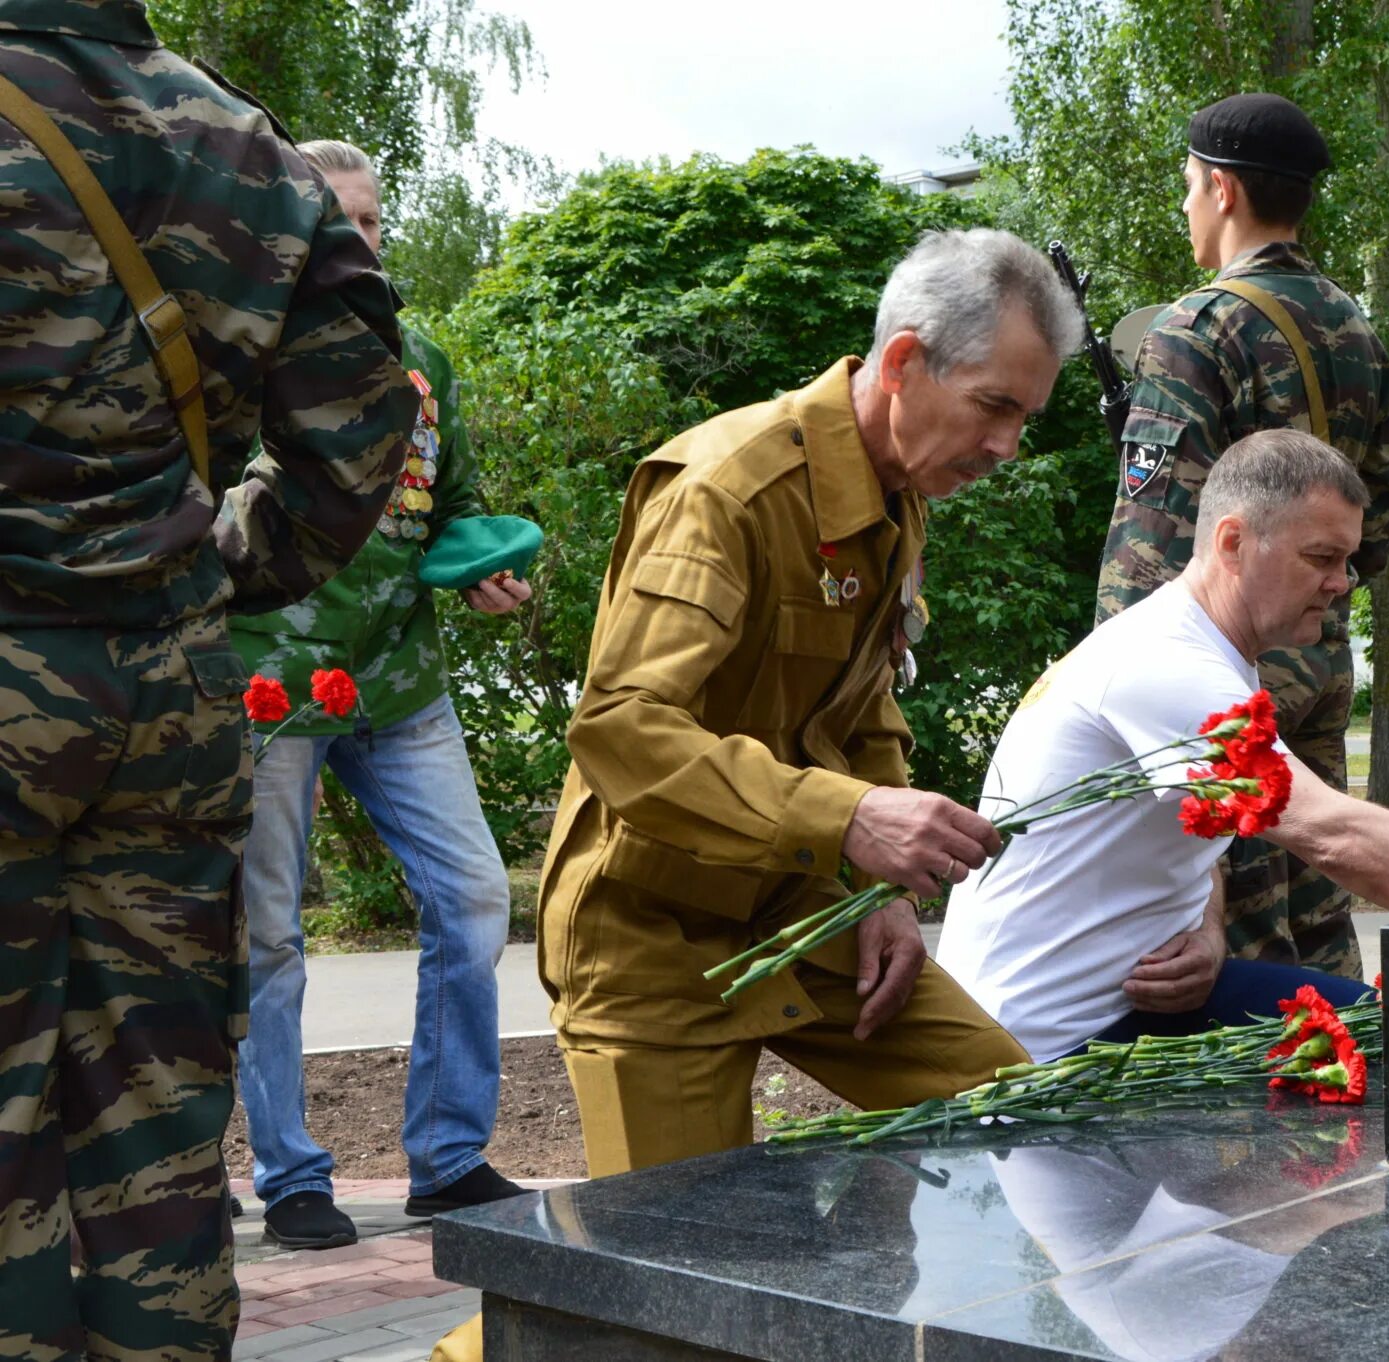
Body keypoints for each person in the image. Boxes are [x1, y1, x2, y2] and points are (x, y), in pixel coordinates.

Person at [428, 223, 1083, 1362]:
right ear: (902, 364)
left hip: (797, 916)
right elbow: (622, 730)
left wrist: (876, 890)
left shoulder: (896, 494)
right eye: (994, 406)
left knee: (1012, 1111)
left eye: (1024, 416)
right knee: (672, 1296)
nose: (1008, 444)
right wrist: (848, 821)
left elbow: (862, 712)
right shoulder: (727, 486)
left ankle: (856, 1302)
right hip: (654, 938)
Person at [0, 4, 417, 1356]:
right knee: (157, 1135)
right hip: (168, 699)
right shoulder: (243, 137)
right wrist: (213, 569)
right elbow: (361, 422)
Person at [228, 139, 534, 1250]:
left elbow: (452, 503)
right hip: (268, 680)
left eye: (372, 224)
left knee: (473, 899)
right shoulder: (241, 348)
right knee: (264, 934)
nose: (362, 244)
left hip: (399, 679)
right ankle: (288, 1175)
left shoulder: (427, 360)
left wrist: (480, 561)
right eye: (336, 224)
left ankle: (448, 1161)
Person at [942, 431, 1389, 1062]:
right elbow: (1331, 834)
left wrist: (1208, 934)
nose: (1341, 583)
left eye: (1344, 561)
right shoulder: (1167, 665)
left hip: (1129, 1007)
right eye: (1321, 557)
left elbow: (1185, 833)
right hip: (1044, 1047)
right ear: (1233, 543)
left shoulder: (1203, 648)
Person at [1097, 92, 1389, 982]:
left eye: (1190, 185)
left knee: (1230, 943)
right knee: (1319, 912)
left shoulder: (1197, 329)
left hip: (1223, 673)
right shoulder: (1359, 333)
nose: (1187, 205)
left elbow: (1147, 554)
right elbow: (1372, 532)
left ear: (1223, 189)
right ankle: (1351, 1096)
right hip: (1322, 654)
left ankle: (1255, 1124)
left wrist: (1112, 702)